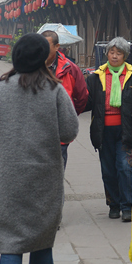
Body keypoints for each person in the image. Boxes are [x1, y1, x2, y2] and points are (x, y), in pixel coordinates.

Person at [0, 33, 79, 264]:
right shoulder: (54, 90)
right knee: (40, 240)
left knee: (10, 243)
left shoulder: (2, 87)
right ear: (43, 57)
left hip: (6, 180)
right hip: (44, 178)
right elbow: (71, 130)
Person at [85, 37, 132, 222]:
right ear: (107, 54)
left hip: (126, 131)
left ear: (125, 56)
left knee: (125, 167)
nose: (114, 56)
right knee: (108, 170)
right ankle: (113, 204)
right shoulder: (96, 77)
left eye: (119, 53)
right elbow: (87, 102)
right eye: (112, 52)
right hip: (102, 131)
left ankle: (127, 206)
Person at [41, 29, 88, 168]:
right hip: (37, 132)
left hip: (59, 133)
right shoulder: (31, 68)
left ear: (57, 47)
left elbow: (82, 96)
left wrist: (70, 114)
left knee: (57, 172)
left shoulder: (70, 69)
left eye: (47, 47)